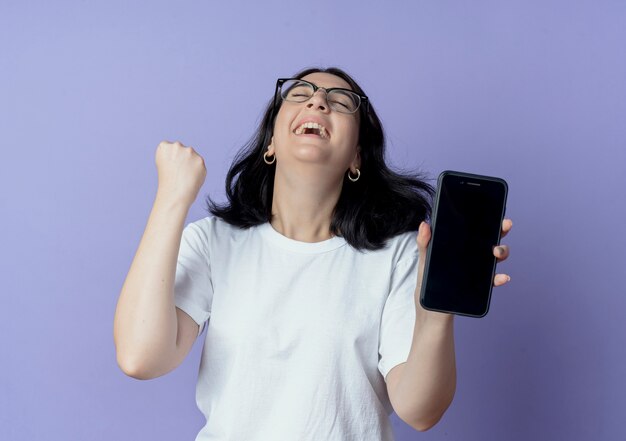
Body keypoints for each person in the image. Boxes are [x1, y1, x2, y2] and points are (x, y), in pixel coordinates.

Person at [113, 66, 512, 440]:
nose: (318, 102)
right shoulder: (214, 241)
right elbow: (140, 357)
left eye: (339, 102)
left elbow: (420, 410)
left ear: (357, 156)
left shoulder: (398, 254)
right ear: (271, 142)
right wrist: (172, 197)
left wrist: (434, 313)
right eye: (300, 94)